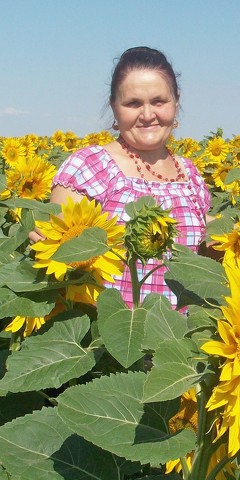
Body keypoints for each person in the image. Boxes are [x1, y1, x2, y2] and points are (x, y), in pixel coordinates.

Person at [30, 46, 211, 307]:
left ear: (176, 102)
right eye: (133, 103)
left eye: (159, 101)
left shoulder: (189, 175)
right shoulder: (90, 167)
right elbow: (59, 251)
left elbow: (201, 256)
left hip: (179, 340)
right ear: (114, 107)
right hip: (109, 338)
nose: (148, 115)